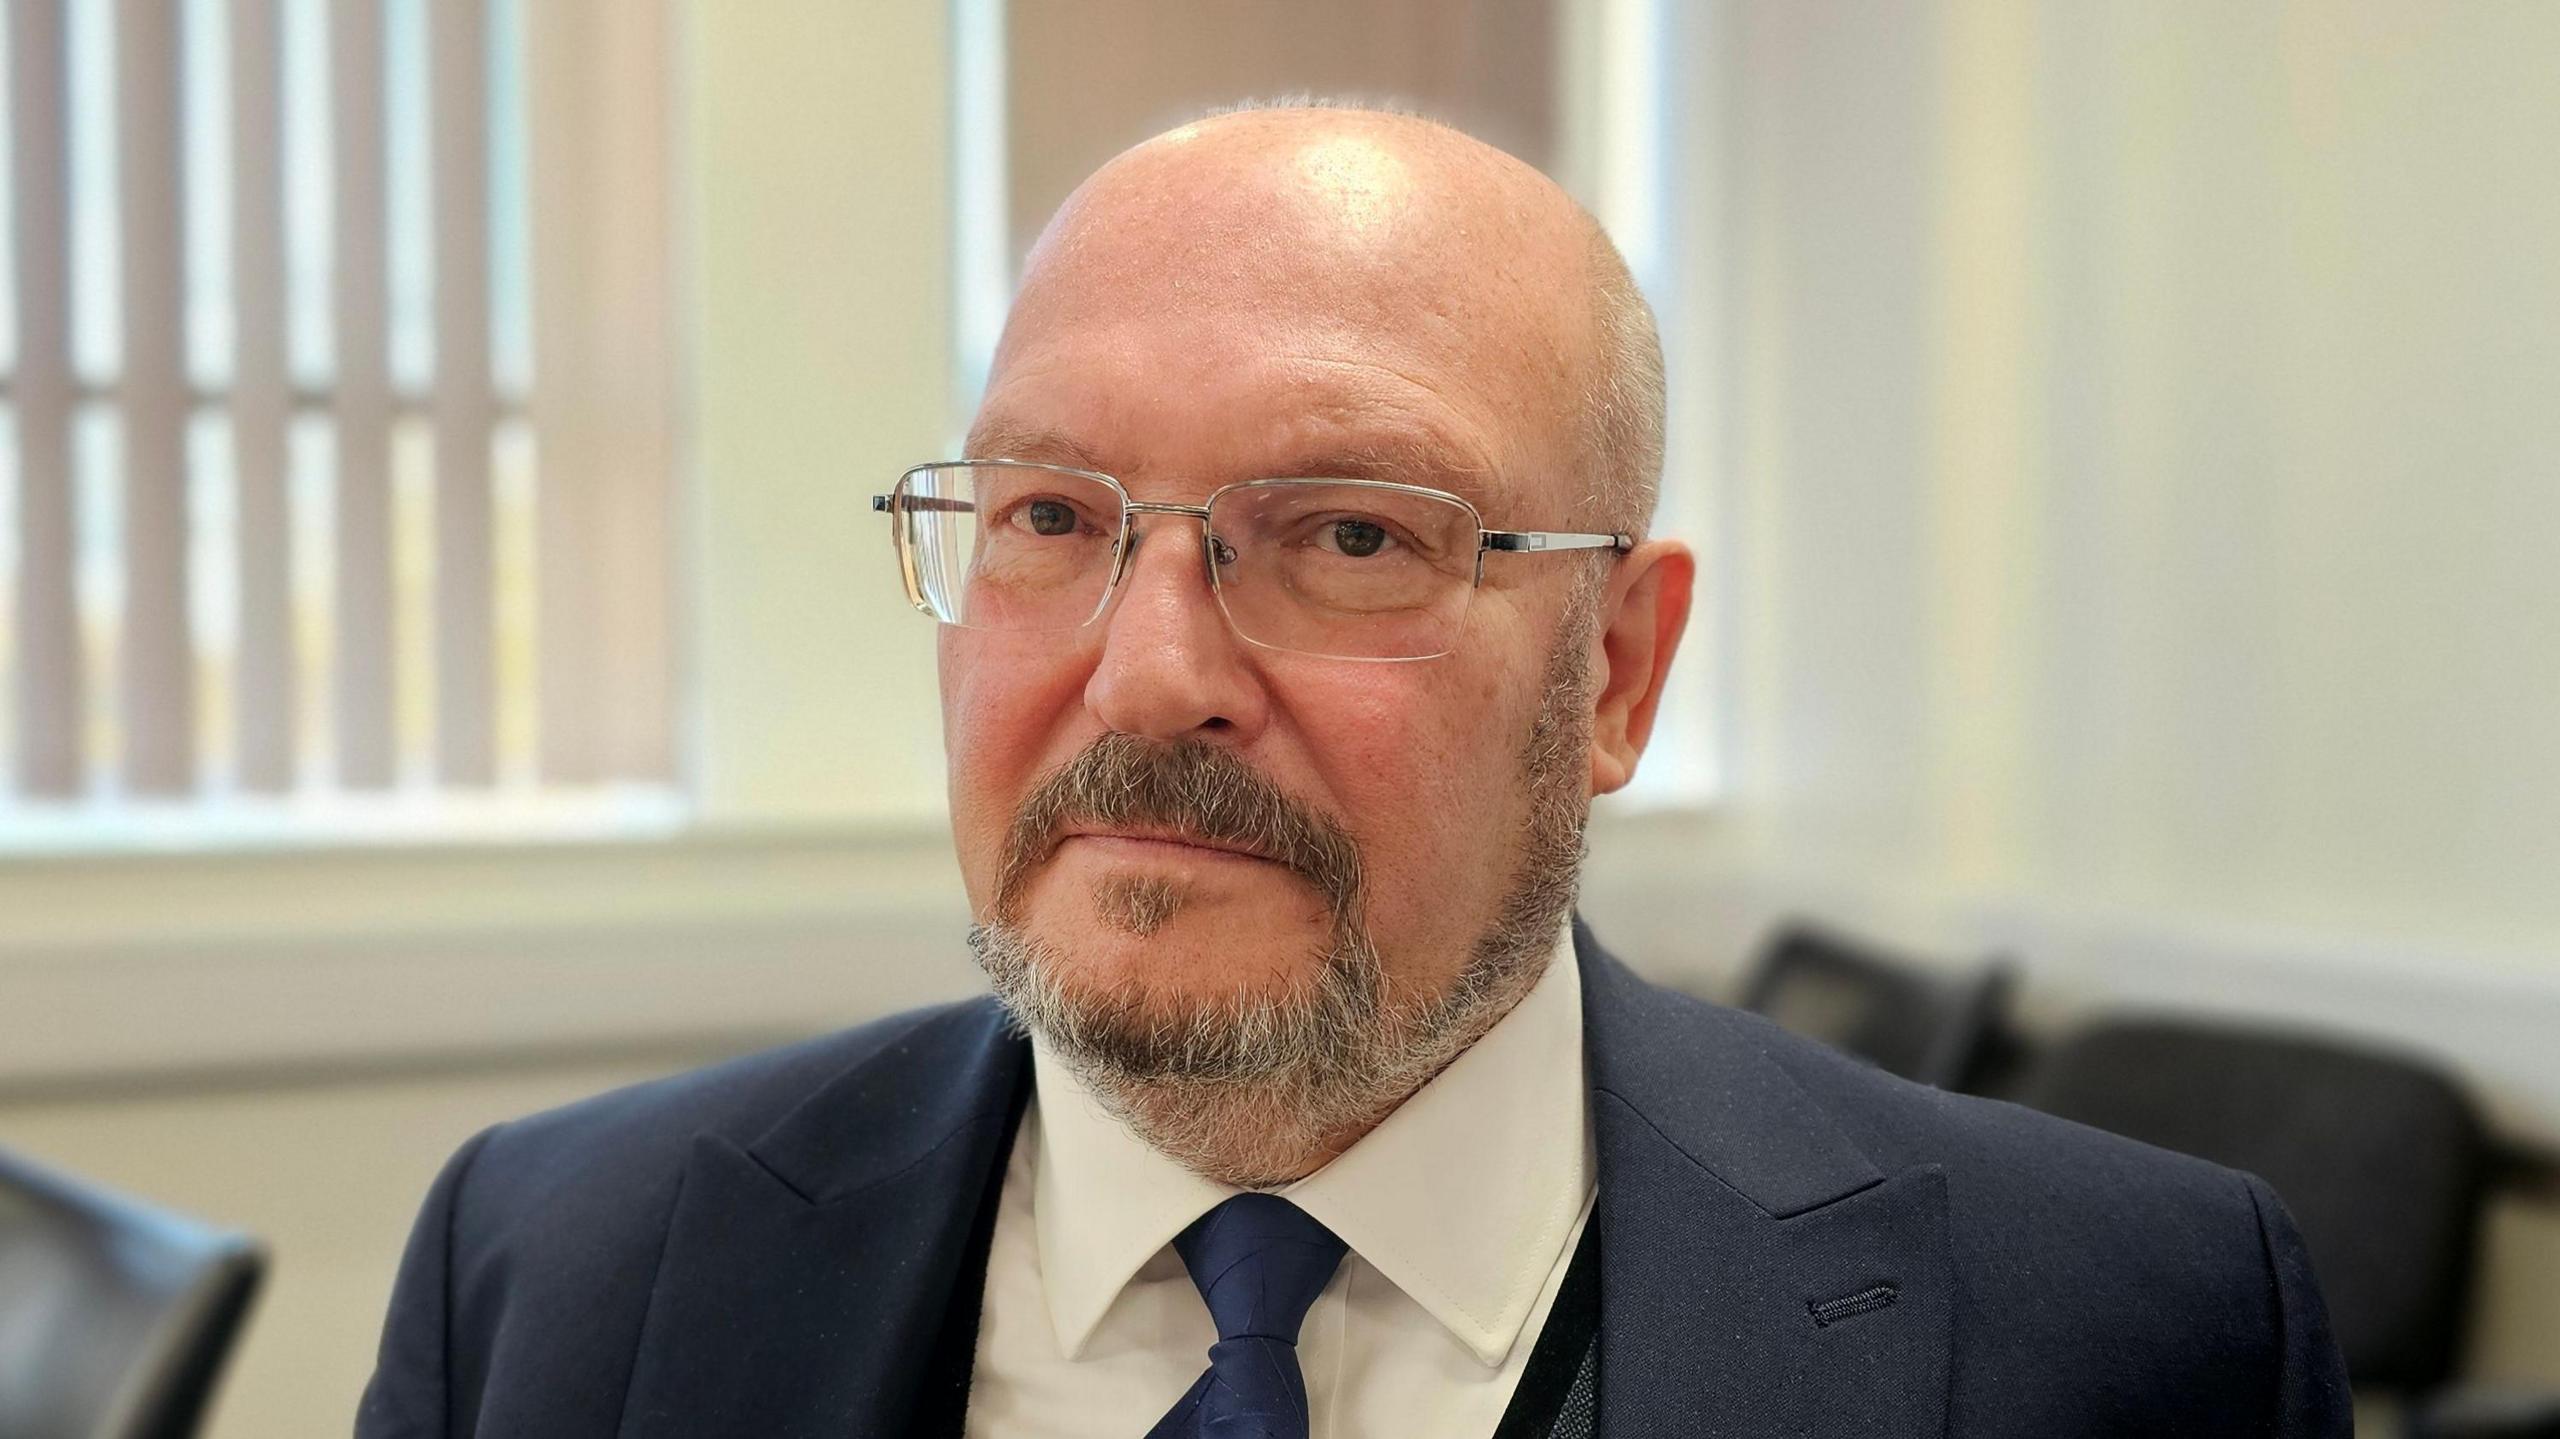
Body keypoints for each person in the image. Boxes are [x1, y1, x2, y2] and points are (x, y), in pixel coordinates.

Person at [357, 104, 2349, 1438]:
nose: (1146, 680)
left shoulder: (2120, 1334)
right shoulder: (553, 1275)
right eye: (1048, 515)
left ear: (1614, 674)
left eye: (1349, 535)